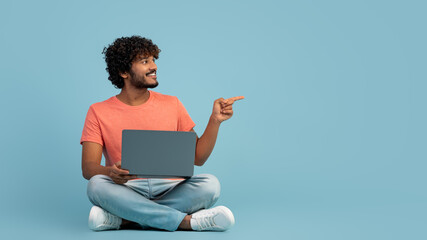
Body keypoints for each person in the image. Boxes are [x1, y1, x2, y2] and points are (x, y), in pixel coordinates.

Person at [80, 36, 244, 232]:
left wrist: (214, 121)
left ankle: (125, 220)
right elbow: (88, 169)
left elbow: (198, 158)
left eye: (153, 60)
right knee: (96, 185)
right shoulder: (98, 111)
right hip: (126, 189)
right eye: (145, 61)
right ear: (124, 72)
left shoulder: (172, 104)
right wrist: (111, 173)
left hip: (171, 188)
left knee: (211, 185)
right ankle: (188, 222)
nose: (154, 66)